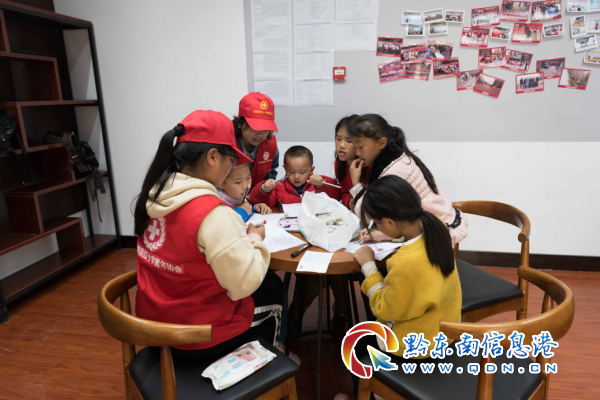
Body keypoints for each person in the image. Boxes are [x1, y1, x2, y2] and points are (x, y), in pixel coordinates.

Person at [133, 110, 283, 360]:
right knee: (271, 287)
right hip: (196, 339)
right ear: (212, 157)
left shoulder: (154, 194)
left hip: (153, 327)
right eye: (231, 159)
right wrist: (255, 239)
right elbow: (244, 285)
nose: (232, 166)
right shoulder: (212, 213)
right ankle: (261, 364)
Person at [334, 175, 462, 400]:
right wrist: (387, 235)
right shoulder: (437, 226)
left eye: (377, 223)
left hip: (419, 344)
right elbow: (412, 241)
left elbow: (384, 310)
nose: (376, 226)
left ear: (391, 222)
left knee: (355, 342)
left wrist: (368, 265)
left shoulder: (404, 262)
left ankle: (371, 395)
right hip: (445, 328)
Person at [347, 114, 468, 247]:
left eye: (360, 147)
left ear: (382, 143)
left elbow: (369, 217)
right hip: (433, 222)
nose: (357, 153)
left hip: (436, 233)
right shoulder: (396, 157)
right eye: (355, 147)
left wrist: (356, 185)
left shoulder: (392, 171)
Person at [249, 145, 340, 207]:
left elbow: (337, 195)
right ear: (285, 169)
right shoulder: (278, 188)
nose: (296, 176)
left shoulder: (317, 183)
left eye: (302, 172)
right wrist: (264, 189)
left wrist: (322, 184)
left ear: (311, 170)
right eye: (291, 172)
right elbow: (262, 203)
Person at [233, 92, 280, 189]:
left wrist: (264, 190)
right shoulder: (227, 146)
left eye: (266, 128)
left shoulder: (271, 147)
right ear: (239, 123)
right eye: (255, 127)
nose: (260, 134)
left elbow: (270, 174)